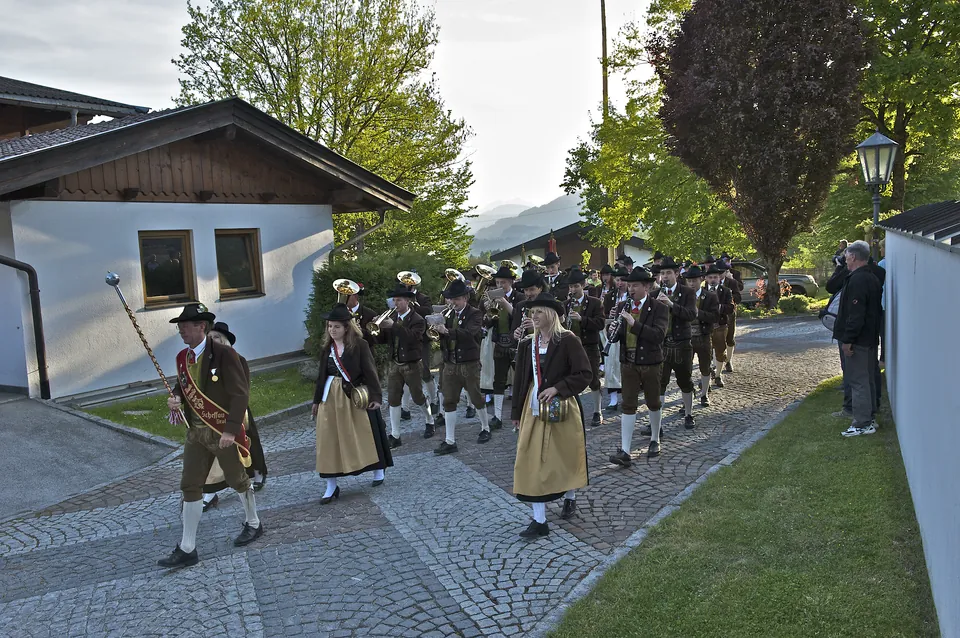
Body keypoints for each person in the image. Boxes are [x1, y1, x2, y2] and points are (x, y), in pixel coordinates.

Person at [159, 304, 263, 568]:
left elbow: (240, 394)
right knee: (190, 485)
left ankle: (254, 523)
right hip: (196, 433)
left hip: (221, 430)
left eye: (186, 325)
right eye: (180, 326)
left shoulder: (225, 355)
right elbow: (183, 386)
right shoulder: (182, 357)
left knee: (237, 479)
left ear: (202, 327)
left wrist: (231, 430)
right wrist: (176, 400)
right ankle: (187, 547)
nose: (180, 330)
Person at [512, 293, 592, 538]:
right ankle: (539, 520)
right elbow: (520, 381)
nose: (533, 317)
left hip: (562, 408)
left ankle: (570, 494)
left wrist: (558, 388)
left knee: (564, 456)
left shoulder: (568, 340)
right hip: (533, 408)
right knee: (531, 460)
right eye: (531, 312)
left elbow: (584, 374)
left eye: (537, 312)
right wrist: (516, 412)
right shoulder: (528, 344)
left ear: (550, 315)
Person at [312, 304, 392, 501]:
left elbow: (370, 371)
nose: (332, 330)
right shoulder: (327, 348)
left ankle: (378, 468)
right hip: (330, 397)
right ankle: (331, 485)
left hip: (354, 396)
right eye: (330, 326)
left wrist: (376, 397)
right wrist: (316, 401)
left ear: (347, 327)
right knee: (328, 438)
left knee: (367, 433)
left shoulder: (359, 345)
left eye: (336, 327)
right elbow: (321, 376)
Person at [200, 322, 268, 512]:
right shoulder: (204, 361)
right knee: (213, 450)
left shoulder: (237, 359)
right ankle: (210, 493)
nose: (212, 341)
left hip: (236, 411)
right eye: (210, 338)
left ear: (225, 341)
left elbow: (242, 387)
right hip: (212, 414)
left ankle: (258, 472)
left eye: (216, 338)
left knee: (248, 442)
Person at [609, 267, 669, 463]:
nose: (631, 289)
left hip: (651, 362)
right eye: (629, 285)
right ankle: (625, 450)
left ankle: (654, 439)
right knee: (628, 405)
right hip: (628, 362)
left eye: (635, 285)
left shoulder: (659, 307)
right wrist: (613, 331)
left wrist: (633, 324)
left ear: (646, 286)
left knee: (653, 402)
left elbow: (658, 336)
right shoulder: (621, 307)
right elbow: (619, 337)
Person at [832, 240, 883, 437]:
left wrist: (848, 340)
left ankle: (862, 423)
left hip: (859, 341)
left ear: (853, 256)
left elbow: (856, 314)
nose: (844, 258)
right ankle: (868, 418)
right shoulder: (870, 276)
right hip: (868, 338)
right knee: (867, 379)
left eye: (846, 255)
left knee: (858, 380)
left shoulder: (858, 280)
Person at [434, 279, 489, 452]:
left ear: (465, 298)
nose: (452, 302)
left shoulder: (475, 313)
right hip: (450, 362)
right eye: (450, 299)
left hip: (469, 362)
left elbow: (469, 334)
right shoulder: (448, 314)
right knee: (449, 400)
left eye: (456, 299)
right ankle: (450, 440)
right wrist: (436, 330)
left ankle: (485, 428)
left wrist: (446, 331)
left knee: (475, 396)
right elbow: (443, 336)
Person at [376, 284, 436, 446]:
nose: (396, 304)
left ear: (408, 301)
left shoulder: (417, 320)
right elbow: (383, 340)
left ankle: (429, 420)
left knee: (418, 397)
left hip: (412, 364)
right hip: (395, 363)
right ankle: (395, 435)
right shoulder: (393, 318)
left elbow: (413, 338)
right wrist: (378, 329)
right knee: (393, 398)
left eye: (399, 300)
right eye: (394, 300)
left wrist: (393, 326)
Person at [655, 257, 698, 430]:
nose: (664, 276)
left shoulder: (687, 292)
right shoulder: (655, 294)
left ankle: (688, 414)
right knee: (661, 383)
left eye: (668, 273)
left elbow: (690, 315)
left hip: (682, 344)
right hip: (663, 345)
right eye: (662, 273)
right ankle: (657, 422)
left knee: (685, 381)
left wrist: (671, 304)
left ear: (676, 273)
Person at [564, 269, 605, 426]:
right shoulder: (566, 304)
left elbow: (600, 324)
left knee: (594, 379)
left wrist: (582, 319)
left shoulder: (595, 303)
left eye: (576, 287)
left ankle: (597, 411)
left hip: (589, 346)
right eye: (571, 287)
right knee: (570, 379)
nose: (573, 290)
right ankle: (574, 412)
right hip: (571, 348)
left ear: (583, 285)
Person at [483, 264, 519, 429]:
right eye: (497, 283)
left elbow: (518, 316)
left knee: (519, 379)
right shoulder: (493, 299)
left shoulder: (518, 297)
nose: (500, 286)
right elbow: (488, 323)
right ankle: (497, 416)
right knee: (499, 381)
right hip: (500, 343)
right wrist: (488, 312)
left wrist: (504, 302)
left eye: (503, 283)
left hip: (516, 344)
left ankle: (519, 414)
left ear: (511, 282)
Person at [683, 266, 720, 407]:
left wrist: (699, 313)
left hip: (703, 337)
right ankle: (687, 397)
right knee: (686, 369)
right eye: (689, 281)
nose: (691, 284)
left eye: (694, 280)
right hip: (686, 338)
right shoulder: (683, 296)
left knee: (705, 367)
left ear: (701, 279)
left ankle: (704, 394)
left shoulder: (710, 296)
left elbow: (715, 316)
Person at [602, 267, 630, 413]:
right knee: (611, 366)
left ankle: (627, 396)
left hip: (628, 333)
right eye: (618, 280)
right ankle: (613, 400)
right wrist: (609, 314)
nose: (620, 283)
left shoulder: (633, 296)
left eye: (623, 280)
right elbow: (604, 316)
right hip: (612, 334)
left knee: (625, 366)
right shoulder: (609, 297)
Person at [703, 259, 735, 387]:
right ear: (706, 278)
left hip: (720, 326)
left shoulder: (725, 291)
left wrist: (719, 307)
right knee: (705, 352)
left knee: (720, 352)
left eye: (715, 277)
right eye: (710, 277)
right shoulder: (701, 290)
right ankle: (707, 375)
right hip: (704, 326)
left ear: (719, 278)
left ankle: (718, 375)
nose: (713, 280)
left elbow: (731, 308)